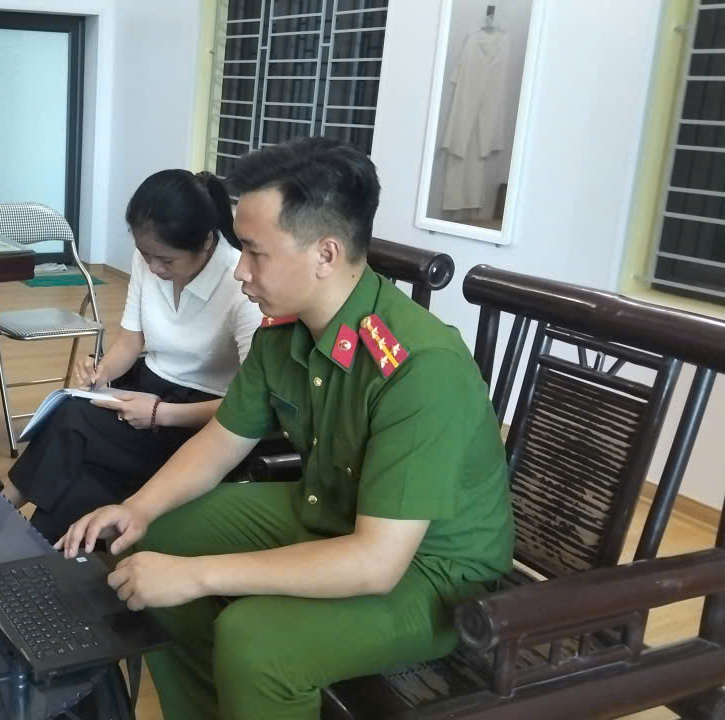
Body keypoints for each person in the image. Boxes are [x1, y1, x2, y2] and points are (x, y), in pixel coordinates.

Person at [56, 138, 514, 720]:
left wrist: (197, 576)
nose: (239, 271)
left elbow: (377, 562)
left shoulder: (420, 367)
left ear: (326, 254)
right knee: (146, 539)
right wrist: (138, 509)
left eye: (254, 252)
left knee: (255, 641)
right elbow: (221, 442)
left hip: (432, 572)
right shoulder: (285, 332)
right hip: (328, 509)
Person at [3, 169, 263, 542]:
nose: (154, 267)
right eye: (145, 255)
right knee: (81, 477)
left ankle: (0, 512)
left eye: (167, 260)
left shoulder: (240, 288)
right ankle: (31, 547)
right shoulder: (148, 261)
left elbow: (249, 407)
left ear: (206, 242)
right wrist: (102, 373)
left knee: (73, 418)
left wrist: (160, 413)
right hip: (144, 394)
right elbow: (130, 340)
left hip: (199, 420)